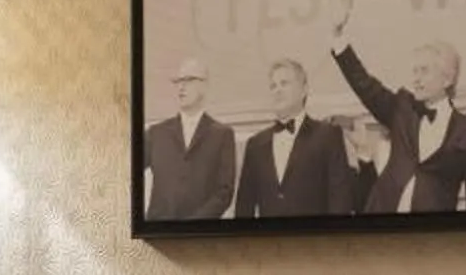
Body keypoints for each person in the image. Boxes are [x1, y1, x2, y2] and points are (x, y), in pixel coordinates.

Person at [330, 0, 466, 212]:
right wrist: (337, 34)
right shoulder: (403, 107)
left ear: (448, 78)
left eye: (424, 71)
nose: (416, 78)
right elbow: (364, 85)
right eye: (414, 71)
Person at [234, 57, 347, 217]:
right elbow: (244, 208)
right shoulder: (255, 144)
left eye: (284, 83)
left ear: (304, 89)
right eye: (273, 86)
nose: (277, 90)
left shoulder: (328, 135)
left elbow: (340, 201)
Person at [142, 56, 236, 219]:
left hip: (201, 235)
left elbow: (224, 192)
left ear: (204, 86)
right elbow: (127, 173)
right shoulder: (156, 133)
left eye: (189, 79)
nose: (181, 86)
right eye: (178, 81)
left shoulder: (222, 135)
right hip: (159, 230)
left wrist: (195, 223)